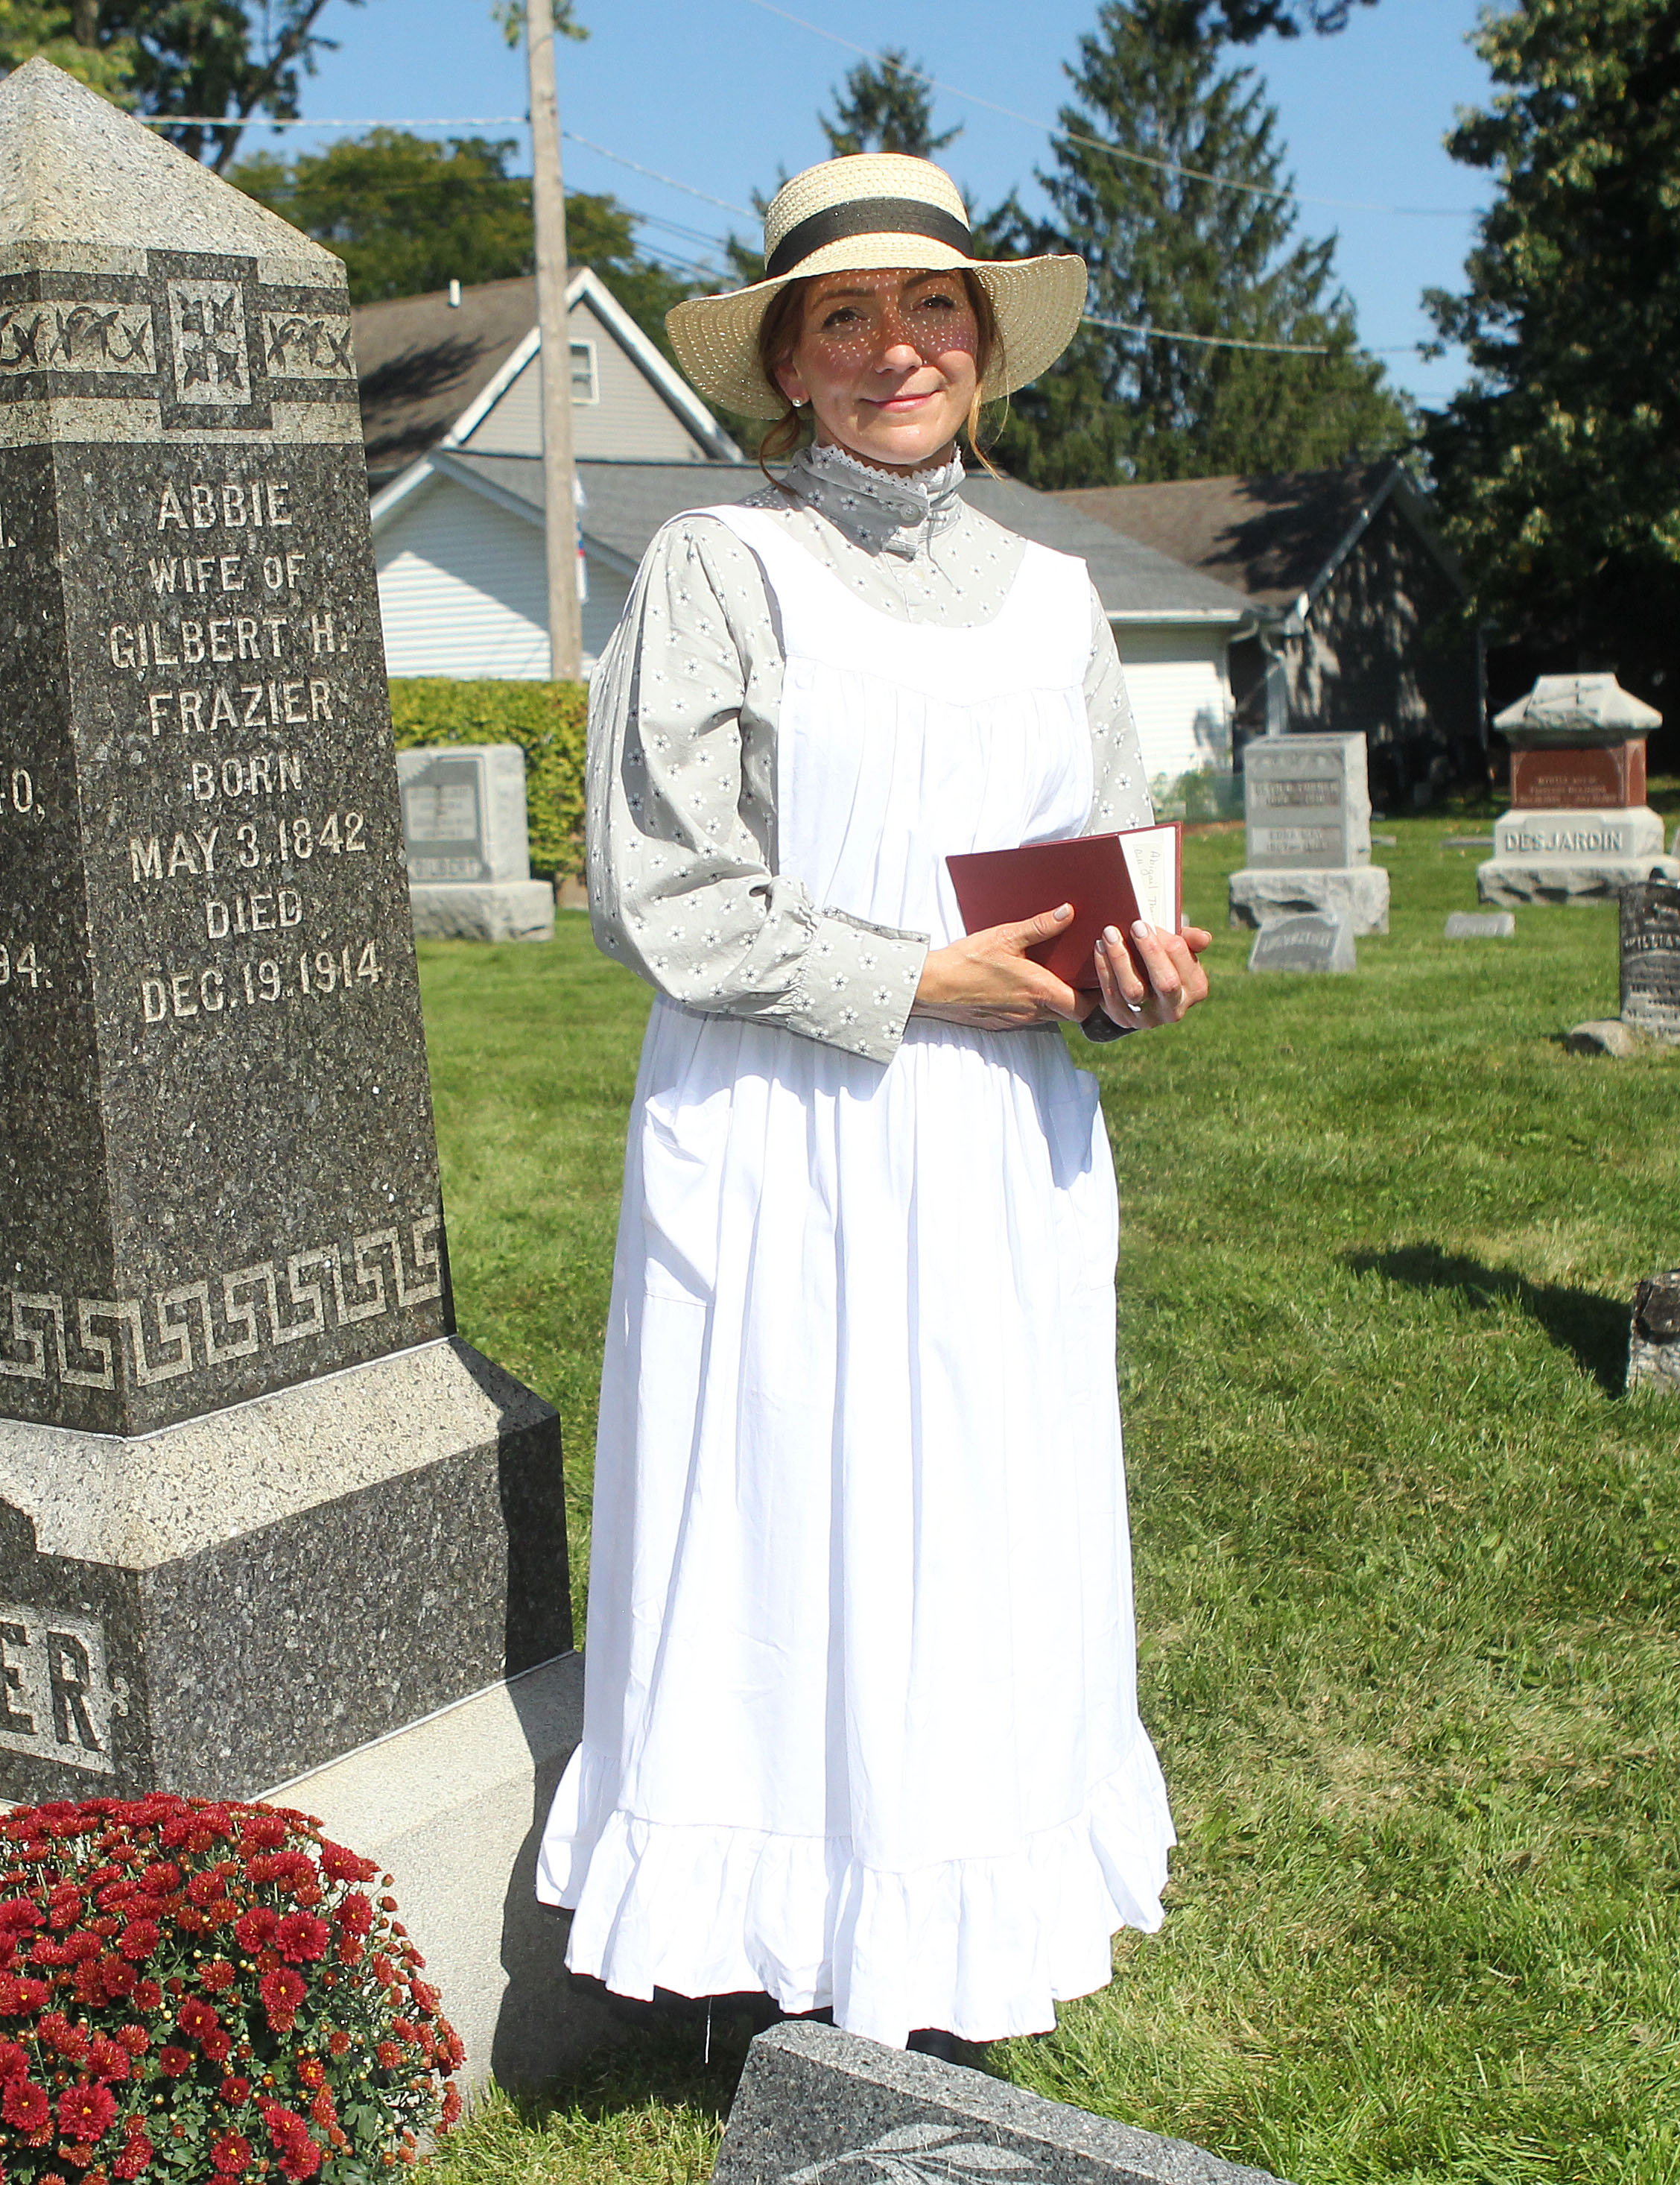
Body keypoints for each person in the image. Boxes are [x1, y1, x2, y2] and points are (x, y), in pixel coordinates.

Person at [534, 153, 1211, 2052]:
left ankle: (964, 1900)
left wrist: (1137, 974)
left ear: (982, 347)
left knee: (982, 1519)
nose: (892, 345)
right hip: (781, 1125)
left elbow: (1093, 881)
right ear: (786, 363)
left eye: (929, 308)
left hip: (995, 1142)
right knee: (780, 1509)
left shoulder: (1057, 593)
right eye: (845, 315)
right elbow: (662, 892)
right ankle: (768, 1941)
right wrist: (914, 976)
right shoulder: (715, 566)